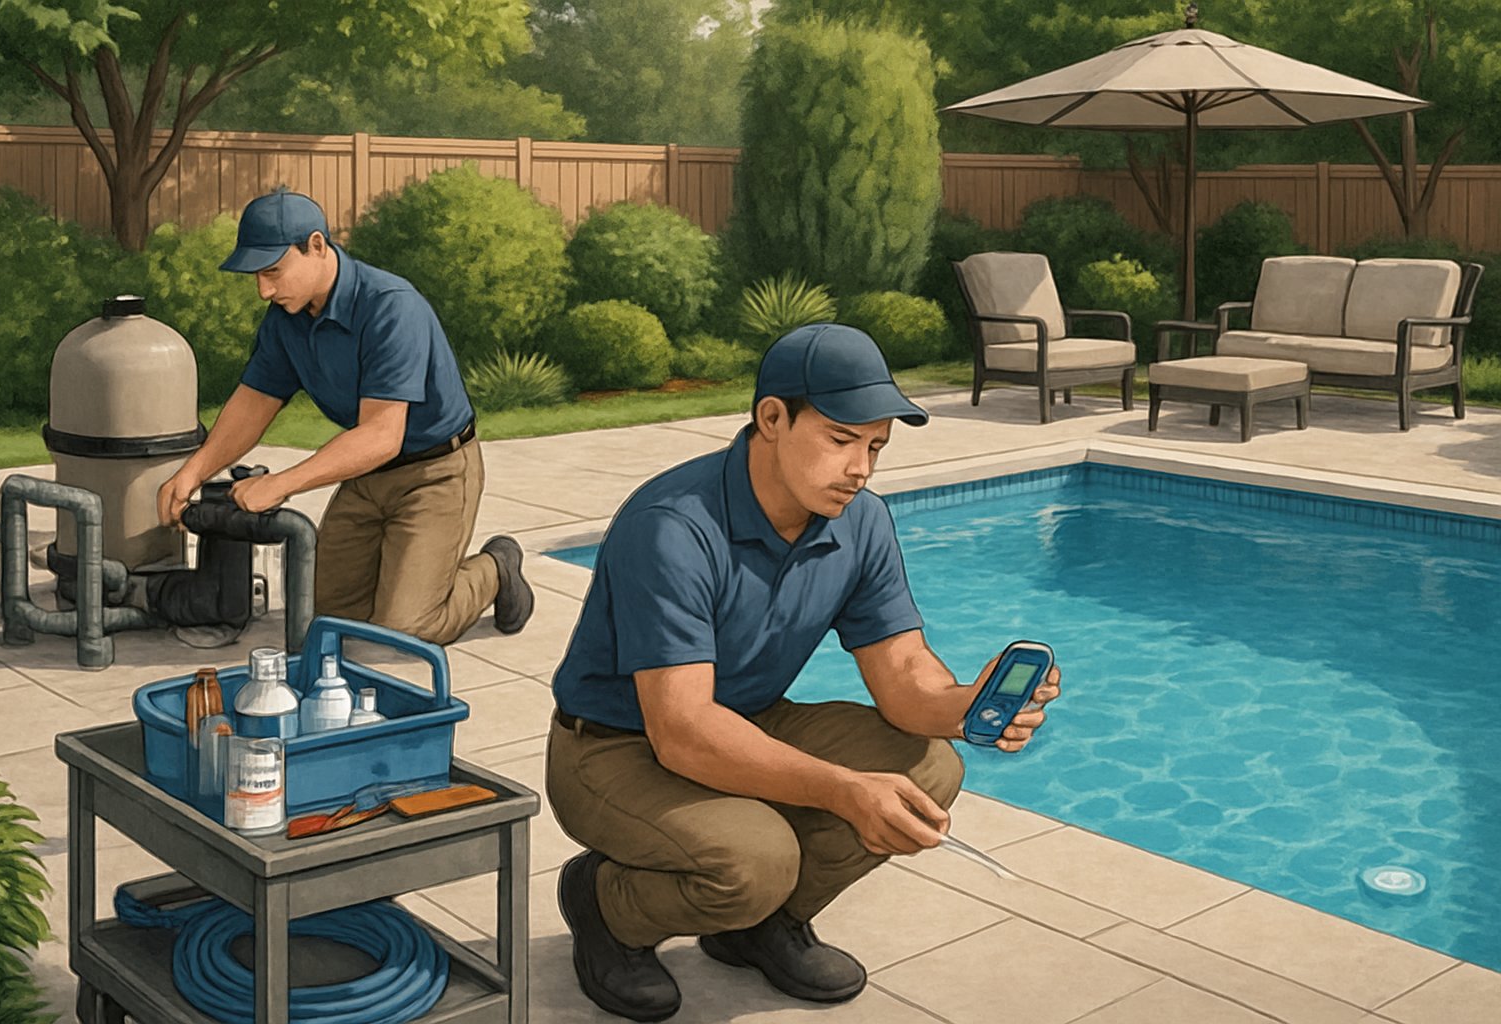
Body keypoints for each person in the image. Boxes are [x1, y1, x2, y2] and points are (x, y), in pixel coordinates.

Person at [546, 323, 1062, 1021]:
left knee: (929, 770)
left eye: (875, 446)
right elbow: (683, 732)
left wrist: (966, 706)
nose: (861, 469)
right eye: (841, 440)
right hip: (613, 746)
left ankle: (757, 928)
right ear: (772, 419)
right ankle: (607, 908)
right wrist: (843, 790)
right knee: (757, 859)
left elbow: (904, 668)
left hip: (747, 720)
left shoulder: (861, 521)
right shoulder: (672, 525)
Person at [154, 188, 533, 645]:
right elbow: (254, 403)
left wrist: (281, 483)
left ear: (316, 246)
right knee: (328, 617)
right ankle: (409, 576)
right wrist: (191, 473)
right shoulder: (285, 318)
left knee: (405, 630)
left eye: (273, 272)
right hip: (366, 476)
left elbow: (381, 436)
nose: (263, 290)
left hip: (435, 473)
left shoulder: (392, 306)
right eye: (257, 275)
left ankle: (496, 567)